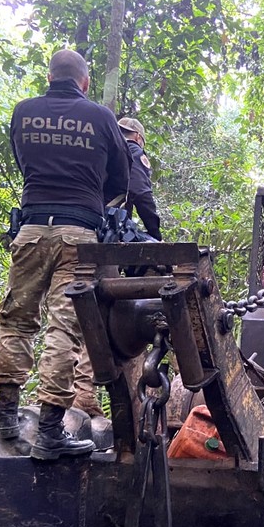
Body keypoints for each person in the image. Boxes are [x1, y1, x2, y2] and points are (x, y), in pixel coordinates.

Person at [0, 48, 130, 460]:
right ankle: (51, 429)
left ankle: (6, 414)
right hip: (78, 235)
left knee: (16, 321)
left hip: (32, 229)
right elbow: (120, 179)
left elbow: (23, 163)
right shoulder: (101, 117)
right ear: (84, 82)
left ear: (49, 76)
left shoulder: (25, 111)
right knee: (64, 328)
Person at [71, 116, 160, 417]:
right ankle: (85, 393)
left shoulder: (92, 147)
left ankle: (81, 389)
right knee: (102, 312)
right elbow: (140, 194)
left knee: (79, 313)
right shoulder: (132, 152)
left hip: (72, 231)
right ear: (137, 136)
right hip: (101, 238)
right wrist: (155, 235)